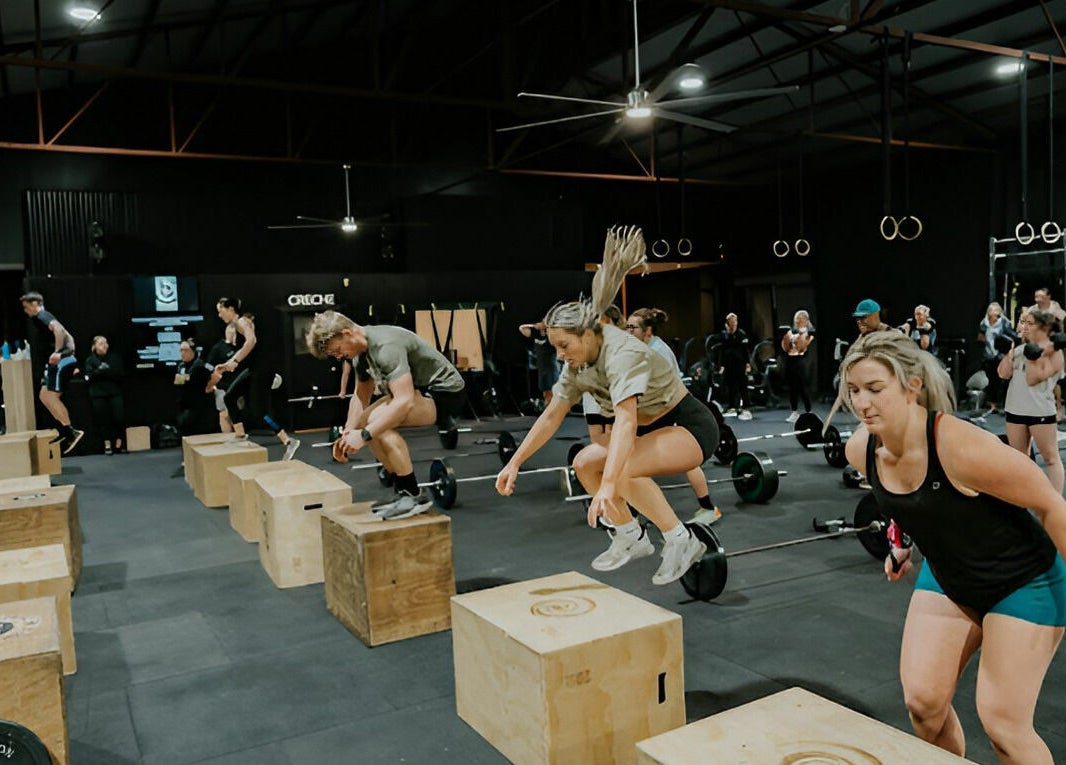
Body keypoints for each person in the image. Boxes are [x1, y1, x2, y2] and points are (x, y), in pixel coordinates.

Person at [837, 330, 1066, 763]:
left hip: (1023, 582)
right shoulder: (860, 449)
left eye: (874, 389)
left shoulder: (960, 447)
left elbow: (1052, 506)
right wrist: (900, 542)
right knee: (923, 705)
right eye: (853, 391)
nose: (861, 403)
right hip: (950, 577)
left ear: (912, 387)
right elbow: (902, 503)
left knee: (1004, 725)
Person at [495, 226, 720, 585]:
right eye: (556, 347)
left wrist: (610, 485)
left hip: (687, 426)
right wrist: (515, 462)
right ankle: (631, 535)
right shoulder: (578, 363)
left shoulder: (621, 353)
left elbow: (626, 423)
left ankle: (682, 539)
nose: (560, 355)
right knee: (584, 464)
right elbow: (552, 414)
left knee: (622, 470)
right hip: (652, 427)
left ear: (587, 335)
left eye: (564, 346)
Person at [306, 310, 467, 520]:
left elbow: (404, 401)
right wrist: (347, 434)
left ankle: (414, 495)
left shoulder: (385, 347)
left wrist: (363, 435)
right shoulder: (359, 356)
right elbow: (360, 397)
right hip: (419, 391)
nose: (338, 357)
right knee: (367, 422)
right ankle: (403, 492)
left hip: (446, 393)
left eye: (337, 350)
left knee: (377, 424)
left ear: (347, 333)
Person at [627, 307, 721, 525]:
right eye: (626, 327)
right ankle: (706, 507)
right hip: (666, 409)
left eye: (632, 328)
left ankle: (634, 514)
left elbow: (655, 392)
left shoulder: (656, 352)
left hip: (677, 412)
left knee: (636, 455)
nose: (628, 332)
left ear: (647, 331)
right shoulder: (648, 349)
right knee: (638, 454)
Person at [212, 298, 300, 461]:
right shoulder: (238, 325)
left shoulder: (242, 322)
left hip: (263, 370)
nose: (219, 315)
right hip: (254, 370)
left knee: (259, 412)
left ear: (230, 309)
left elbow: (251, 341)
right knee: (229, 397)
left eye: (220, 310)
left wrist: (234, 361)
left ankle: (288, 440)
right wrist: (226, 365)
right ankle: (240, 435)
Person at [998, 308, 1064, 493]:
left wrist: (1037, 354)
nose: (1024, 327)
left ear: (1043, 328)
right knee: (1020, 459)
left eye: (1029, 323)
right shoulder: (1020, 349)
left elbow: (1032, 378)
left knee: (1050, 458)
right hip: (1015, 409)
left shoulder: (1054, 353)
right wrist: (1011, 353)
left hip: (1040, 412)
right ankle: (1026, 498)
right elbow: (1003, 373)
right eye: (1022, 322)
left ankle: (1055, 504)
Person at [19, 291, 83, 454]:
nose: (26, 312)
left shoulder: (42, 315)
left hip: (61, 360)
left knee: (51, 396)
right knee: (43, 395)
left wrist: (58, 352)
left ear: (35, 304)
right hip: (63, 358)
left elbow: (59, 331)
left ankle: (70, 431)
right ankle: (64, 430)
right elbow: (70, 337)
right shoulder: (43, 317)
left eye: (27, 308)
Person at [83, 335, 126, 454]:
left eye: (105, 343)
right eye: (101, 343)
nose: (104, 345)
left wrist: (108, 371)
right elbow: (88, 377)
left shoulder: (114, 358)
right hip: (98, 394)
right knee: (103, 419)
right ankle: (107, 443)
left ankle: (119, 442)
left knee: (118, 417)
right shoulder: (90, 360)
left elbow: (120, 373)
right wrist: (98, 372)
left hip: (114, 392)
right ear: (94, 346)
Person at [174, 339, 217, 437]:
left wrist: (210, 386)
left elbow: (216, 375)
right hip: (185, 406)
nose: (182, 353)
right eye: (181, 350)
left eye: (185, 350)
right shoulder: (181, 366)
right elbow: (178, 383)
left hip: (201, 408)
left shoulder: (202, 365)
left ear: (193, 351)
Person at [976, 301, 1013, 415]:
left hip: (1001, 355)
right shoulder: (984, 324)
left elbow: (1011, 336)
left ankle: (1006, 404)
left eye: (997, 311)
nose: (995, 314)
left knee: (1004, 380)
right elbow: (980, 339)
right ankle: (993, 405)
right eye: (992, 311)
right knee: (992, 381)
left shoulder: (1004, 323)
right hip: (989, 354)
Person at [780, 310, 815, 424]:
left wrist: (797, 338)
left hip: (801, 361)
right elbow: (786, 348)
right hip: (791, 361)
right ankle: (794, 412)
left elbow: (801, 346)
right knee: (792, 388)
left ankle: (809, 412)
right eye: (797, 318)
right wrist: (787, 340)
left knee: (803, 387)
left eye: (802, 318)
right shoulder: (791, 331)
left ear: (806, 320)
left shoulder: (809, 332)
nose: (799, 320)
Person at [204, 322, 238, 432]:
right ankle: (228, 438)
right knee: (224, 413)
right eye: (232, 334)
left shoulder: (239, 348)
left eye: (236, 334)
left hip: (237, 385)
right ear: (227, 333)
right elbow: (209, 366)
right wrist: (214, 382)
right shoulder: (218, 348)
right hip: (222, 386)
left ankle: (239, 436)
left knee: (236, 412)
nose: (234, 336)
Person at [717, 312, 751, 420]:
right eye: (731, 322)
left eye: (735, 321)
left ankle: (746, 407)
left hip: (740, 364)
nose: (733, 324)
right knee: (731, 386)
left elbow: (745, 351)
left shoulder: (742, 334)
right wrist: (722, 365)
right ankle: (732, 406)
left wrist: (748, 364)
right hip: (729, 364)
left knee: (742, 386)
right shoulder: (724, 335)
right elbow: (723, 350)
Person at [519, 319, 560, 410]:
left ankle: (557, 403)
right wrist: (535, 326)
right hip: (544, 350)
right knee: (547, 373)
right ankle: (550, 403)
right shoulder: (538, 335)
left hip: (555, 344)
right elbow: (522, 328)